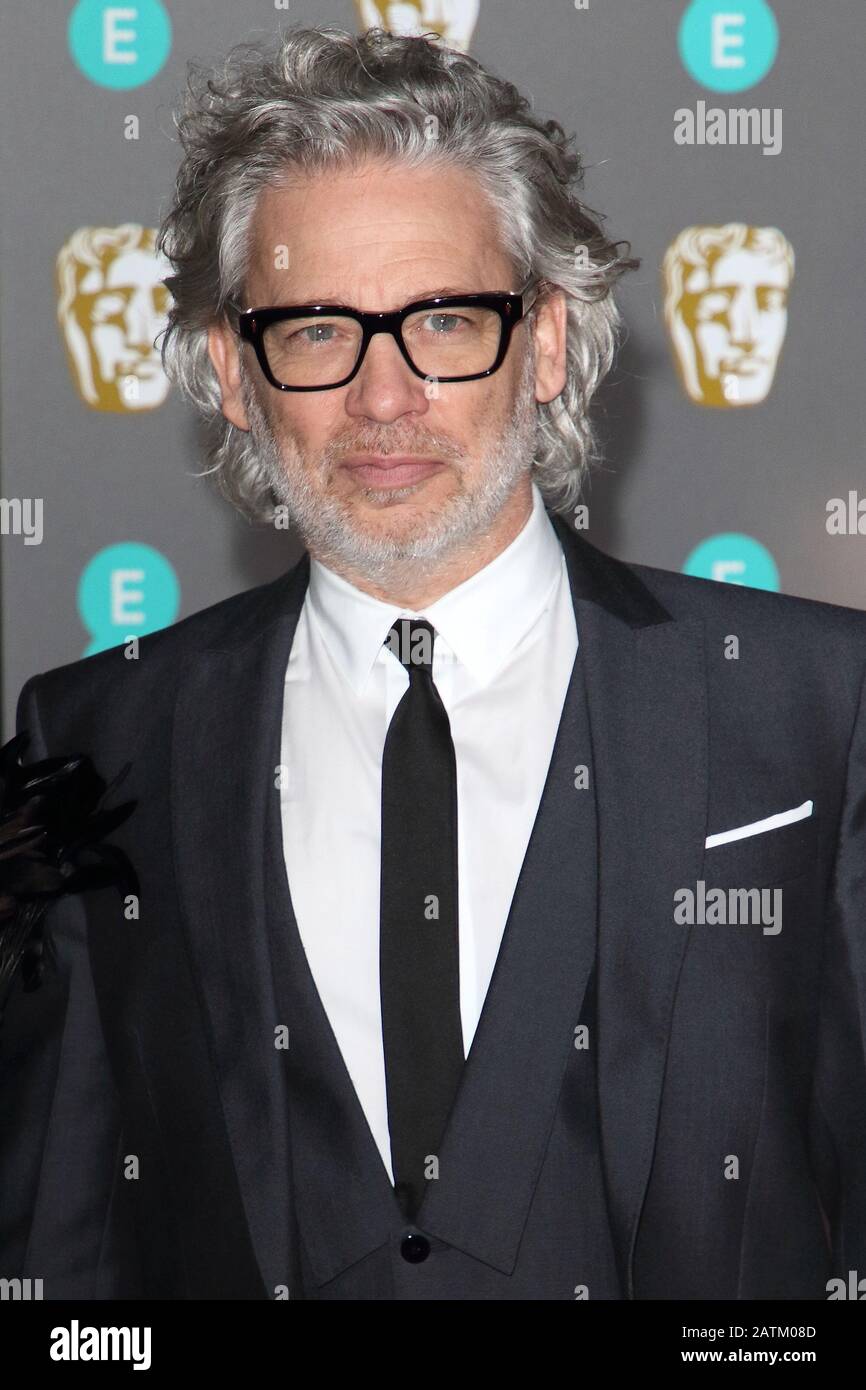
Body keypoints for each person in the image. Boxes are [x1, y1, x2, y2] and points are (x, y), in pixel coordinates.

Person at [1, 23, 864, 1301]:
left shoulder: (813, 706)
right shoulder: (97, 734)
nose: (384, 397)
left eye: (445, 320)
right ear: (237, 375)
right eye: (312, 331)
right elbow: (64, 1270)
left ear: (551, 342)